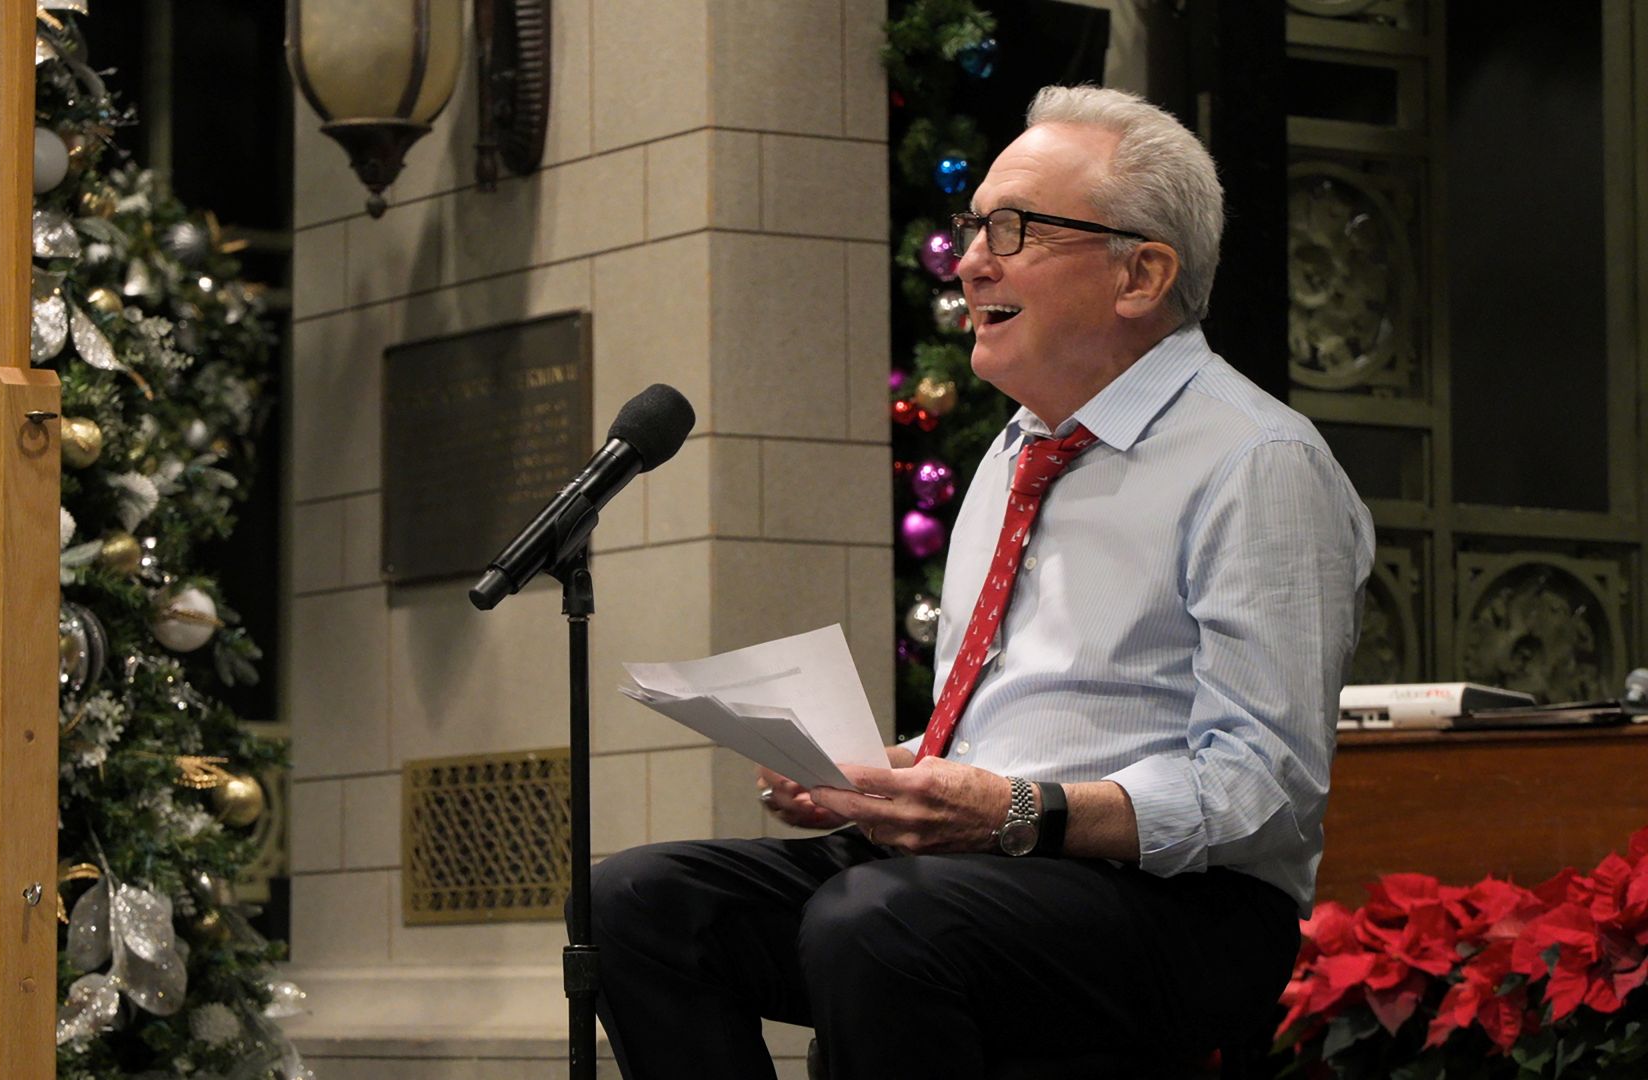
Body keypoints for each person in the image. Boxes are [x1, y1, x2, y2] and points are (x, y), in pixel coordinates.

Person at [585, 85, 1375, 1079]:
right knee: (638, 901)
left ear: (1143, 273)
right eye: (972, 227)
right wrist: (881, 777)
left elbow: (1262, 793)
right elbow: (1018, 725)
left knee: (873, 920)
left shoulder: (1257, 461)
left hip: (1185, 909)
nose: (968, 260)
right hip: (983, 867)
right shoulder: (1016, 450)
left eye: (1015, 228)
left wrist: (1015, 810)